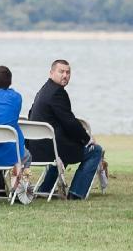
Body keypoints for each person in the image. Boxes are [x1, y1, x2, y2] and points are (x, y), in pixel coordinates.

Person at [27, 60, 104, 201]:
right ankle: (76, 193)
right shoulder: (57, 93)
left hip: (36, 147)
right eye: (61, 71)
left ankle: (45, 189)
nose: (65, 75)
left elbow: (31, 113)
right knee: (95, 150)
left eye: (68, 72)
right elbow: (69, 122)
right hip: (51, 149)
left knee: (64, 150)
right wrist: (87, 139)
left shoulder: (43, 90)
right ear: (51, 73)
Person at [0, 65, 28, 197]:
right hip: (12, 154)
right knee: (27, 156)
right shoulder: (16, 98)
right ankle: (20, 189)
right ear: (10, 82)